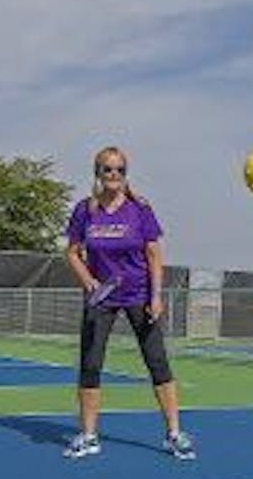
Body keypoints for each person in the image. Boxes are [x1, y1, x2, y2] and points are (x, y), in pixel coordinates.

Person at [62, 145, 195, 460]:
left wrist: (156, 296)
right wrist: (88, 281)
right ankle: (89, 436)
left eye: (119, 169)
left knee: (157, 362)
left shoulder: (140, 209)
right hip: (101, 299)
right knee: (90, 365)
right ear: (97, 173)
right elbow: (72, 252)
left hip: (138, 295)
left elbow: (154, 254)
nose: (114, 174)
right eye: (107, 169)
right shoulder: (85, 210)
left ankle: (174, 434)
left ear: (126, 174)